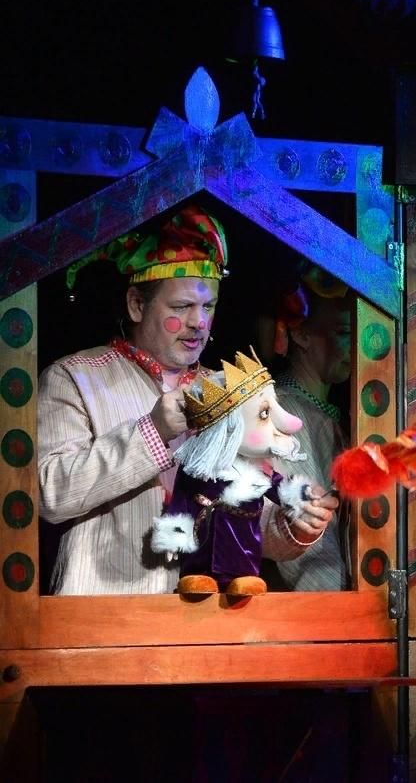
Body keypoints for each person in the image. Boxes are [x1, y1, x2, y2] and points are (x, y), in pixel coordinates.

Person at [37, 205, 338, 595]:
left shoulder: (225, 389)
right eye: (181, 307)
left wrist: (294, 524)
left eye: (208, 306)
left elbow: (247, 514)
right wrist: (152, 432)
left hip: (204, 619)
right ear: (136, 304)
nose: (199, 322)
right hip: (105, 614)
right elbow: (50, 494)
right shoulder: (76, 378)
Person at [264, 264, 355, 590]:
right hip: (317, 607)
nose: (354, 346)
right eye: (343, 333)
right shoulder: (285, 412)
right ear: (301, 334)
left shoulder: (329, 412)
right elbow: (309, 548)